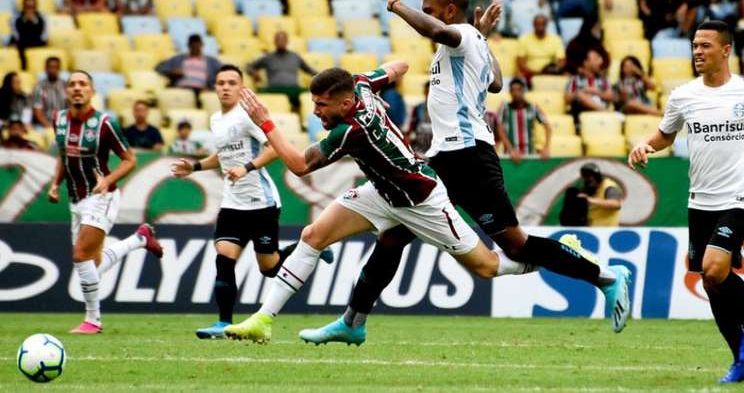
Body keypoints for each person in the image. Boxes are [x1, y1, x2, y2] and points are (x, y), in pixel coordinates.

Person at [297, 0, 631, 346]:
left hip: (470, 157)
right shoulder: (465, 43)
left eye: (430, 9)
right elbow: (497, 83)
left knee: (515, 245)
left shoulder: (458, 35)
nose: (427, 17)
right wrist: (482, 40)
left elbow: (441, 33)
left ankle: (605, 275)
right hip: (444, 158)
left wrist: (397, 6)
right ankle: (352, 321)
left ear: (450, 11)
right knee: (392, 237)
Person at [225, 59, 541, 343]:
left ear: (346, 103)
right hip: (380, 192)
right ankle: (262, 320)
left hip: (421, 201)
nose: (315, 111)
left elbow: (298, 165)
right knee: (312, 236)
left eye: (321, 105)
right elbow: (401, 65)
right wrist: (380, 93)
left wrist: (265, 122)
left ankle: (545, 260)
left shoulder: (351, 131)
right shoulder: (360, 84)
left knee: (486, 267)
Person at [629, 20, 744, 383]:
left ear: (726, 50)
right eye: (694, 45)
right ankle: (742, 359)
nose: (697, 52)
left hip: (738, 197)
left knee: (715, 269)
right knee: (711, 283)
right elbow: (665, 134)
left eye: (706, 45)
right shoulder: (683, 95)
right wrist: (645, 145)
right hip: (700, 201)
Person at [171, 65, 333, 339]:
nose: (225, 87)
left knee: (269, 268)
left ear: (241, 87)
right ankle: (223, 323)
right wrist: (195, 167)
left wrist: (247, 167)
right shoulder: (216, 120)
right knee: (224, 258)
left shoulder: (246, 116)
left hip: (261, 202)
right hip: (232, 203)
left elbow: (273, 149)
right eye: (221, 82)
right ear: (214, 87)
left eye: (231, 82)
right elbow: (222, 156)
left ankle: (309, 249)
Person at [47, 70, 163, 334]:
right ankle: (140, 239)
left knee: (80, 255)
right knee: (91, 268)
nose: (77, 88)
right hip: (75, 200)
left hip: (102, 196)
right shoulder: (59, 120)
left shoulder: (104, 124)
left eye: (83, 84)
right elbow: (64, 156)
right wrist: (55, 184)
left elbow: (130, 159)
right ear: (67, 91)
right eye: (73, 84)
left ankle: (93, 321)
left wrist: (107, 180)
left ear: (92, 91)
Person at [247, 31, 318, 111]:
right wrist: (254, 73)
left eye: (283, 40)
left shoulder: (295, 57)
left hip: (294, 90)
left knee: (312, 95)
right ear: (274, 42)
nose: (281, 42)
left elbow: (309, 70)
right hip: (274, 90)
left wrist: (322, 76)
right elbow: (249, 66)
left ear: (287, 41)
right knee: (257, 96)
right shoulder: (268, 57)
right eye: (278, 40)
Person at [498, 78, 551, 163]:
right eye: (513, 90)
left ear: (523, 91)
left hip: (529, 154)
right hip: (510, 156)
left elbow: (547, 127)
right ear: (510, 92)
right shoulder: (505, 108)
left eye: (519, 89)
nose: (516, 93)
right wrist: (511, 149)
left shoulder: (533, 108)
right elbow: (500, 130)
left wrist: (546, 147)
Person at [155, 34, 222, 92]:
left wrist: (213, 85)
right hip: (181, 88)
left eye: (197, 44)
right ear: (188, 45)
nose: (195, 47)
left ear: (202, 45)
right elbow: (159, 67)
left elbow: (224, 72)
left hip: (202, 89)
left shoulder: (211, 61)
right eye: (192, 45)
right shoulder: (178, 59)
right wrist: (171, 72)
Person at [566, 48, 614, 122]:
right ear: (586, 62)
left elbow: (610, 96)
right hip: (583, 113)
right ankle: (605, 112)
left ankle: (603, 112)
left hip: (601, 115)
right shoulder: (575, 79)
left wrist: (596, 92)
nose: (600, 61)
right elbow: (567, 98)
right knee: (580, 94)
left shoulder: (603, 79)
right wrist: (584, 91)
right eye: (596, 59)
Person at [516, 14, 566, 80]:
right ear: (533, 25)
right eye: (537, 24)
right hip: (530, 74)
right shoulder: (524, 39)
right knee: (519, 76)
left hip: (550, 73)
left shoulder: (556, 39)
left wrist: (554, 69)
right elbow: (520, 62)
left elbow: (562, 61)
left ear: (547, 25)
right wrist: (536, 73)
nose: (540, 27)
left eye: (542, 24)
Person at [10, 0, 47, 70]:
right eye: (27, 7)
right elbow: (16, 35)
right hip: (21, 44)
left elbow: (44, 37)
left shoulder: (42, 18)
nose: (30, 10)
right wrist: (24, 21)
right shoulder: (16, 18)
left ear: (36, 7)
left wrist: (34, 22)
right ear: (23, 7)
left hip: (37, 43)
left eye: (32, 7)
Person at [31, 57, 67, 129]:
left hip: (64, 124)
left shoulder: (65, 85)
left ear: (59, 69)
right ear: (45, 69)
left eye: (55, 67)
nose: (52, 70)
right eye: (50, 67)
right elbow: (38, 112)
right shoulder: (39, 87)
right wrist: (50, 128)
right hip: (44, 125)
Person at [404, 82, 433, 157]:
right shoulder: (418, 108)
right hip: (418, 150)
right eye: (427, 92)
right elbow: (409, 132)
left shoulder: (441, 110)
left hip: (434, 151)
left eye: (431, 93)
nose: (429, 95)